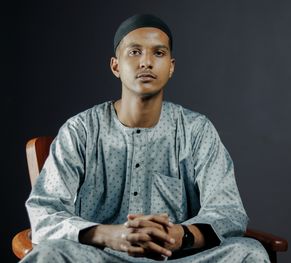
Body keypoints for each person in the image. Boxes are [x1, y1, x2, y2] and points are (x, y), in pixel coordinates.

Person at [21, 14, 270, 262]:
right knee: (49, 254)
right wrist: (110, 235)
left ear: (171, 67)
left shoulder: (196, 130)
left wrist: (181, 235)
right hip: (101, 257)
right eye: (135, 52)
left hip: (177, 258)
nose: (146, 62)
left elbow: (228, 211)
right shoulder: (81, 131)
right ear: (115, 65)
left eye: (158, 53)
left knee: (249, 252)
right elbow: (44, 213)